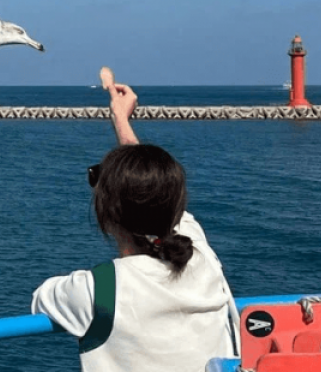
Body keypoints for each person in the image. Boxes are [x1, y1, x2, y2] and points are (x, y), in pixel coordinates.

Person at [31, 82, 241, 372]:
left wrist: (118, 118)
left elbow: (40, 299)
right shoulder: (204, 260)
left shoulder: (97, 289)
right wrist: (121, 119)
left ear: (107, 217)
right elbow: (152, 189)